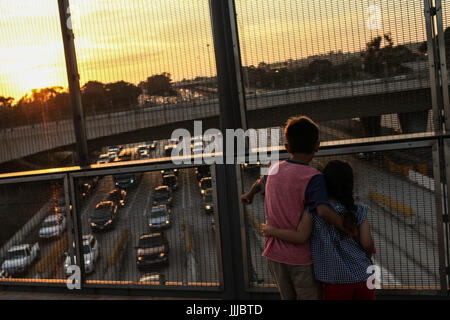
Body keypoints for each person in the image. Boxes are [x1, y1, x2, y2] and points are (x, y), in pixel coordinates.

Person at [241, 116, 357, 300]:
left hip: (274, 254)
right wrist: (346, 228)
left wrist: (249, 195)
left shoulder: (273, 170)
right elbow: (323, 211)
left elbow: (258, 183)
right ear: (316, 146)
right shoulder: (314, 177)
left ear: (287, 147)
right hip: (300, 258)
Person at [261, 160, 376, 300]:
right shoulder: (359, 210)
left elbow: (300, 236)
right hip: (364, 276)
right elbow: (367, 244)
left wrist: (271, 231)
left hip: (334, 281)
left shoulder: (313, 211)